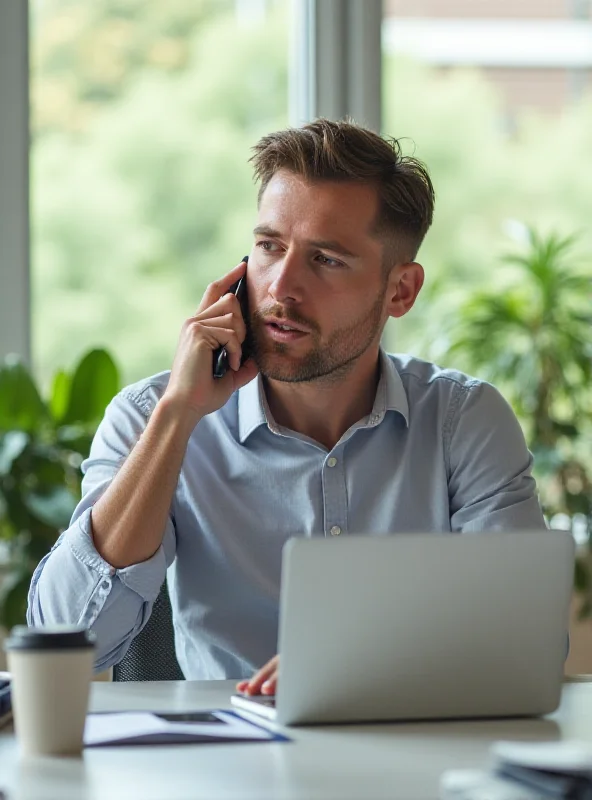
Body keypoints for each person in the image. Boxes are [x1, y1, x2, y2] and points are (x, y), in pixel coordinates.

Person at [28, 118, 546, 696]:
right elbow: (67, 639)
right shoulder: (152, 415)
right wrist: (176, 418)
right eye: (270, 247)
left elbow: (525, 638)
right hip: (223, 771)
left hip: (418, 767)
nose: (280, 288)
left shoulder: (463, 423)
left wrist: (357, 668)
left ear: (400, 290)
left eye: (325, 259)